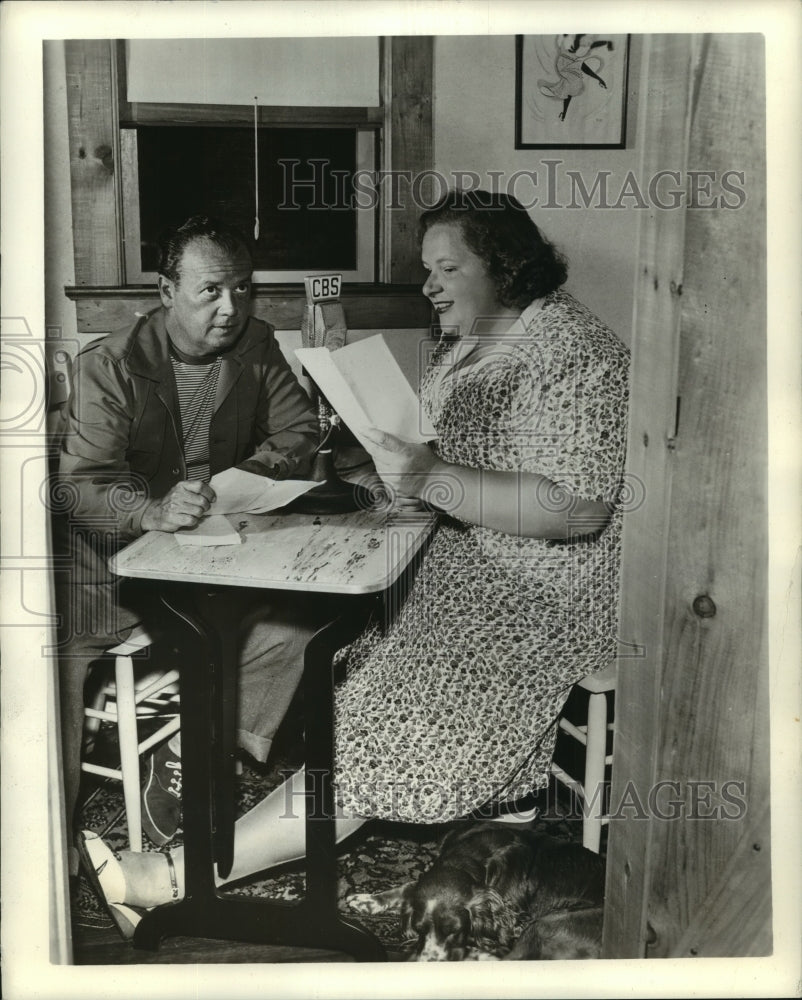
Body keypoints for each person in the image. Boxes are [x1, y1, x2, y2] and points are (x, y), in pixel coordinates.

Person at [81, 190, 630, 935]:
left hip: (543, 592)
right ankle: (496, 804)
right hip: (472, 566)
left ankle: (173, 878)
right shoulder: (478, 338)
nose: (429, 284)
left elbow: (580, 511)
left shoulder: (575, 355)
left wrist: (431, 479)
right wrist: (405, 475)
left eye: (447, 267)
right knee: (348, 667)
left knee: (384, 718)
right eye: (425, 268)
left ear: (504, 269)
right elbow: (459, 458)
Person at [55, 216, 321, 882]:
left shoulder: (257, 345)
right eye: (210, 291)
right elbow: (81, 487)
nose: (231, 307)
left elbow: (299, 433)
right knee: (53, 670)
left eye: (243, 289)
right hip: (108, 578)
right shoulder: (108, 365)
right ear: (166, 288)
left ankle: (185, 741)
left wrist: (242, 477)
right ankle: (60, 831)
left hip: (211, 563)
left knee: (307, 624)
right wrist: (149, 509)